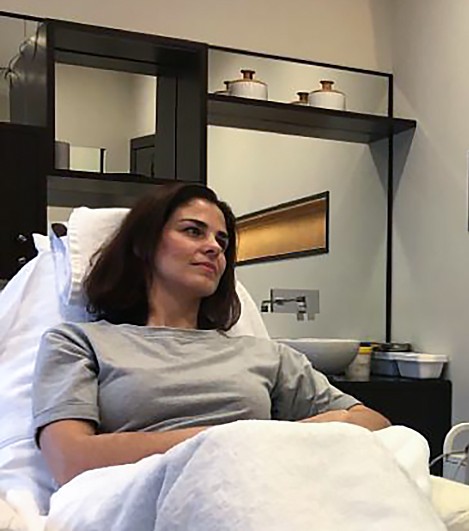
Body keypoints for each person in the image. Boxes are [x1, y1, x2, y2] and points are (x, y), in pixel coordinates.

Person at [32, 183, 390, 487]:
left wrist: (305, 432)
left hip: (264, 489)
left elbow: (375, 424)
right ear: (144, 244)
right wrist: (238, 439)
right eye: (193, 231)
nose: (215, 247)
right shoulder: (80, 343)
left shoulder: (266, 356)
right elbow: (70, 461)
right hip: (153, 497)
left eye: (222, 240)